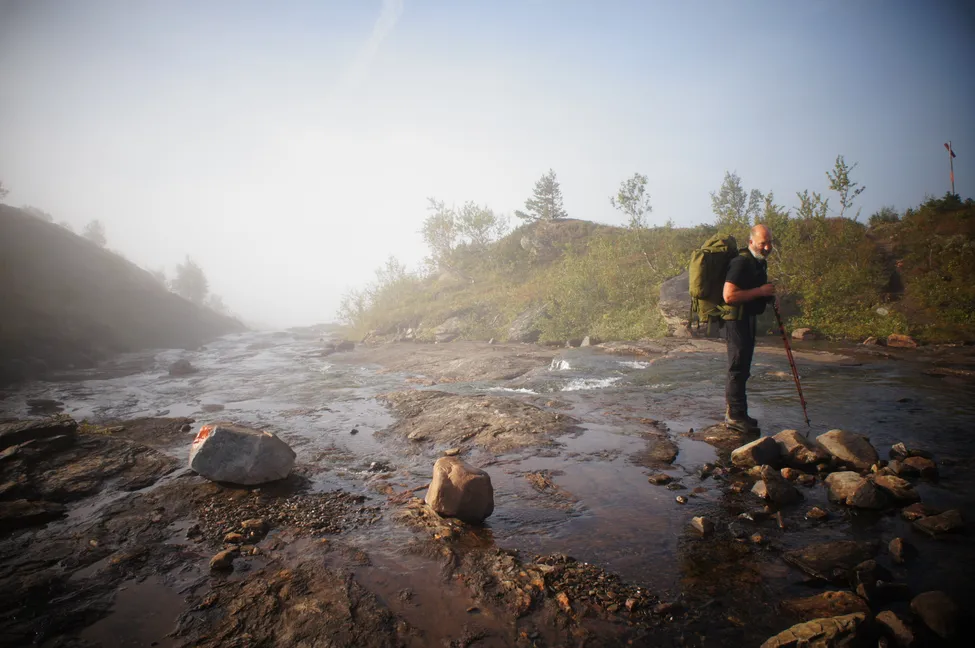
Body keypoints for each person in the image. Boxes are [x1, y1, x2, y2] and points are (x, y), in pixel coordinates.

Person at [722, 224, 776, 431]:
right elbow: (729, 296)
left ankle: (739, 413)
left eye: (770, 242)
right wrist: (761, 291)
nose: (767, 247)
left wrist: (767, 295)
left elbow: (754, 290)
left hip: (747, 318)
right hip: (736, 320)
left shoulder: (758, 262)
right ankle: (735, 416)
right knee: (737, 366)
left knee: (743, 367)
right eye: (763, 243)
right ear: (751, 242)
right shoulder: (740, 262)